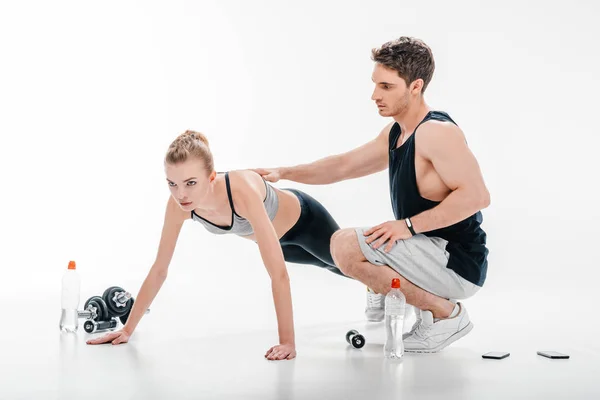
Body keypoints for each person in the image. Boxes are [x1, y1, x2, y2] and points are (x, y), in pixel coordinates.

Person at [254, 36, 490, 353]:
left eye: (387, 87)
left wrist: (406, 227)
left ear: (416, 86)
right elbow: (343, 166)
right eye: (375, 84)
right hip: (431, 251)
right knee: (352, 245)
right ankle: (390, 291)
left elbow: (477, 197)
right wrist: (284, 172)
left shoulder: (437, 133)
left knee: (346, 245)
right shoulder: (397, 132)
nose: (374, 95)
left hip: (458, 262)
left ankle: (445, 315)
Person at [86, 130, 348, 361]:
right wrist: (127, 329)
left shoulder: (240, 189)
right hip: (278, 242)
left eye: (191, 183)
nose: (181, 194)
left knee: (346, 266)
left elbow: (277, 274)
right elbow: (160, 269)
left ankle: (382, 285)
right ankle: (375, 286)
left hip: (306, 222)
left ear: (211, 177)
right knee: (332, 268)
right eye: (172, 184)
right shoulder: (179, 207)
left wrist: (287, 342)